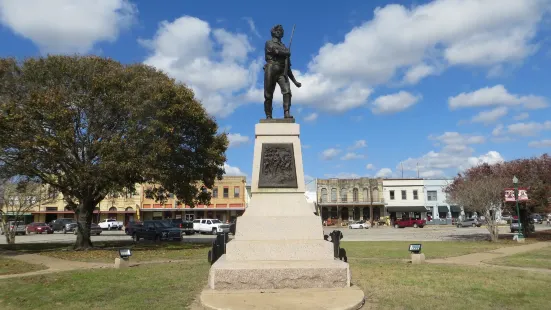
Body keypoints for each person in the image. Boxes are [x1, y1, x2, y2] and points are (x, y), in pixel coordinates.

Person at [263, 24, 302, 119]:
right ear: (274, 32)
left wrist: (295, 81)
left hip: (282, 72)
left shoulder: (285, 47)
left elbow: (288, 67)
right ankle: (268, 115)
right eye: (279, 30)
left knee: (287, 91)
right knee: (268, 94)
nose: (281, 32)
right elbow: (275, 51)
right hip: (271, 69)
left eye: (281, 31)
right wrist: (286, 52)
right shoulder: (269, 43)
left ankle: (286, 112)